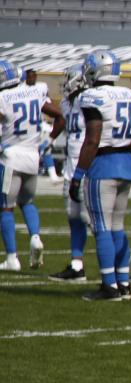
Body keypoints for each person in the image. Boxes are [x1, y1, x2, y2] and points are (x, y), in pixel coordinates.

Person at [70, 50, 131, 301]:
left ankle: (109, 286)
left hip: (103, 164)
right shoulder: (130, 95)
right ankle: (124, 284)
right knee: (118, 227)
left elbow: (92, 139)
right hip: (126, 164)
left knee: (102, 228)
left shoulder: (92, 96)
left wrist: (78, 174)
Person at [0, 59, 63, 272]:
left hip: (11, 157)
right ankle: (35, 237)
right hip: (33, 156)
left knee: (5, 208)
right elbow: (59, 116)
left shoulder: (2, 98)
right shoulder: (34, 92)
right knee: (27, 202)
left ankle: (11, 258)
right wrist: (48, 141)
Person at [49, 64, 89, 282]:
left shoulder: (91, 100)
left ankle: (119, 264)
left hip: (87, 166)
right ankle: (76, 265)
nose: (65, 84)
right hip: (70, 167)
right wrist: (49, 139)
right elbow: (61, 119)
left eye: (68, 79)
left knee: (94, 220)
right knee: (73, 216)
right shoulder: (66, 103)